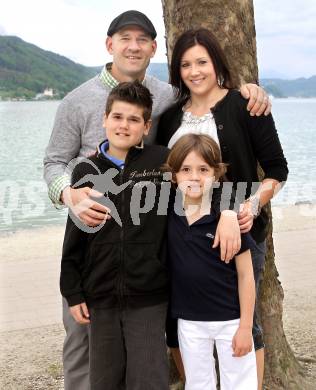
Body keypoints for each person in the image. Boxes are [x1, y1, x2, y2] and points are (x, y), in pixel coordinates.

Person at [43, 10, 271, 389]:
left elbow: (203, 110)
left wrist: (249, 89)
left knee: (149, 352)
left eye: (141, 40)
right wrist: (69, 194)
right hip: (95, 240)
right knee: (86, 350)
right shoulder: (76, 101)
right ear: (109, 44)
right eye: (124, 38)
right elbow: (54, 161)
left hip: (147, 252)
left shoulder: (166, 94)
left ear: (152, 48)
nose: (132, 46)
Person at [157, 28, 289, 389]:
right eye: (185, 64)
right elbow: (158, 168)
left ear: (217, 63)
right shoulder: (169, 117)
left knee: (246, 322)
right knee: (181, 321)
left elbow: (277, 169)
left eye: (202, 61)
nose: (194, 71)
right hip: (185, 233)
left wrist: (248, 206)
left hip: (241, 227)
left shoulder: (245, 105)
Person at [60, 81, 171, 390]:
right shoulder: (86, 170)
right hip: (101, 295)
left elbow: (200, 189)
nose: (124, 125)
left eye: (134, 119)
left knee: (149, 377)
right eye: (118, 117)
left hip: (149, 293)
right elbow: (75, 236)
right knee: (105, 379)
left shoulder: (163, 163)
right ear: (105, 119)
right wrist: (72, 291)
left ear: (147, 126)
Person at [165, 133, 257, 389]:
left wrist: (246, 327)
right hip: (189, 322)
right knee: (197, 384)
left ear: (216, 174)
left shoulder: (229, 219)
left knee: (240, 383)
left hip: (231, 320)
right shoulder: (167, 215)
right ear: (174, 175)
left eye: (203, 169)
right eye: (185, 169)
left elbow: (246, 275)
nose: (194, 176)